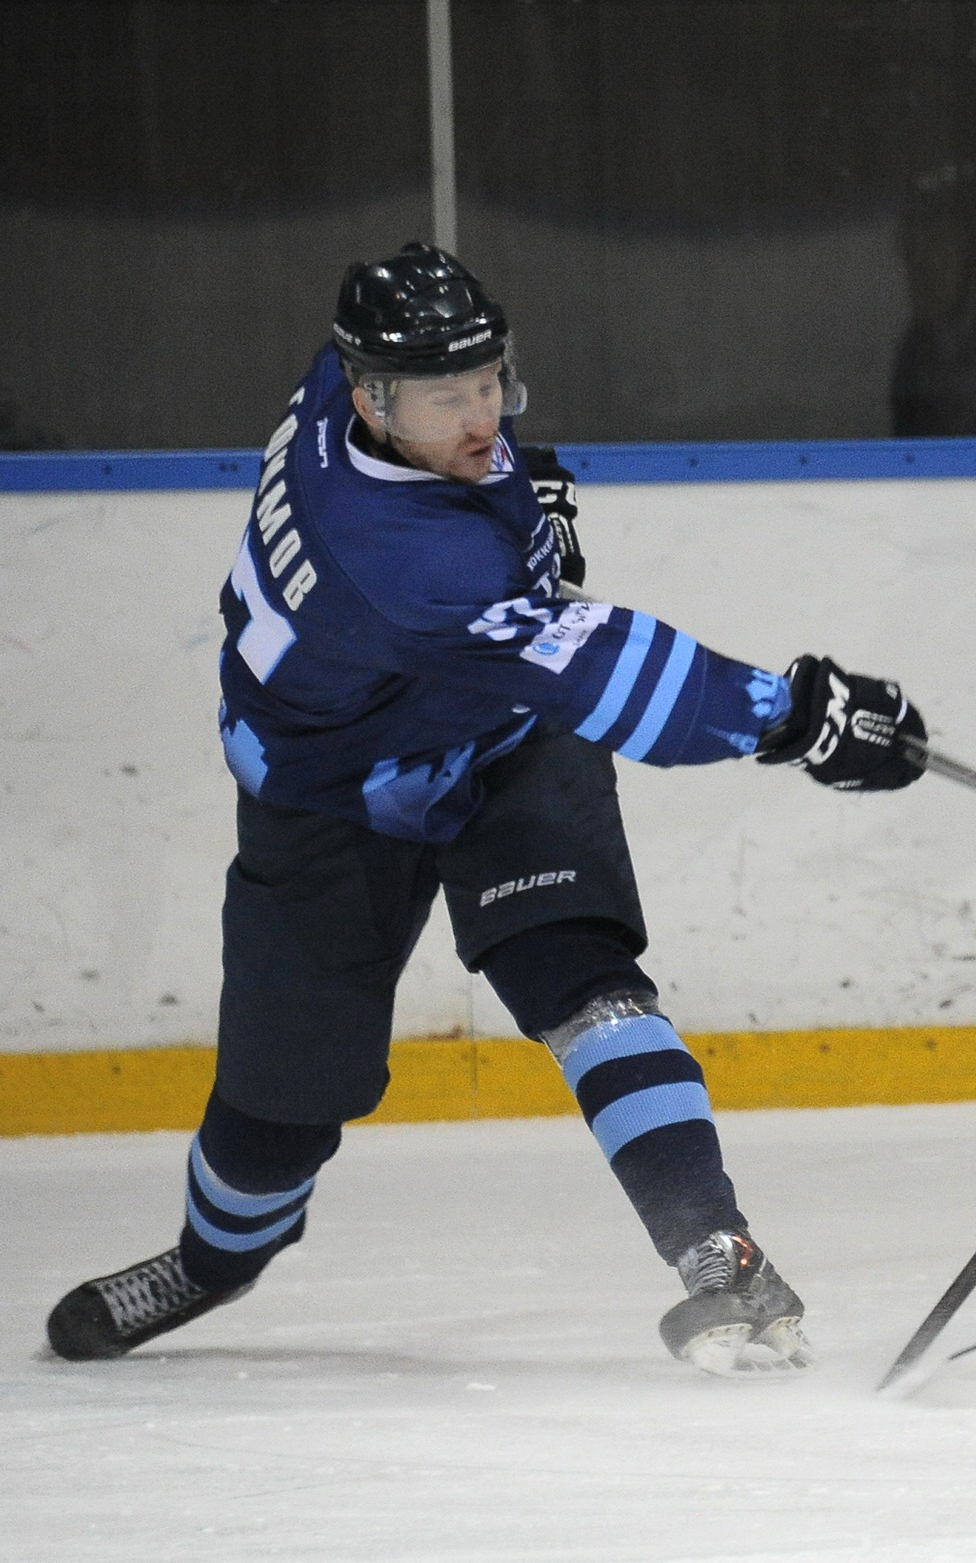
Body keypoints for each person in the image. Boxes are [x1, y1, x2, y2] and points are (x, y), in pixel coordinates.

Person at [43, 244, 929, 1376]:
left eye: (488, 381)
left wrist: (533, 490)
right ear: (371, 398)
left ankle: (719, 1249)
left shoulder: (347, 383)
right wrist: (794, 716)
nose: (480, 415)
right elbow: (614, 671)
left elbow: (516, 563)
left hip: (491, 731)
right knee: (278, 1112)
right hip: (330, 795)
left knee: (587, 983)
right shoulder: (400, 560)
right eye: (446, 397)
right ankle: (212, 1262)